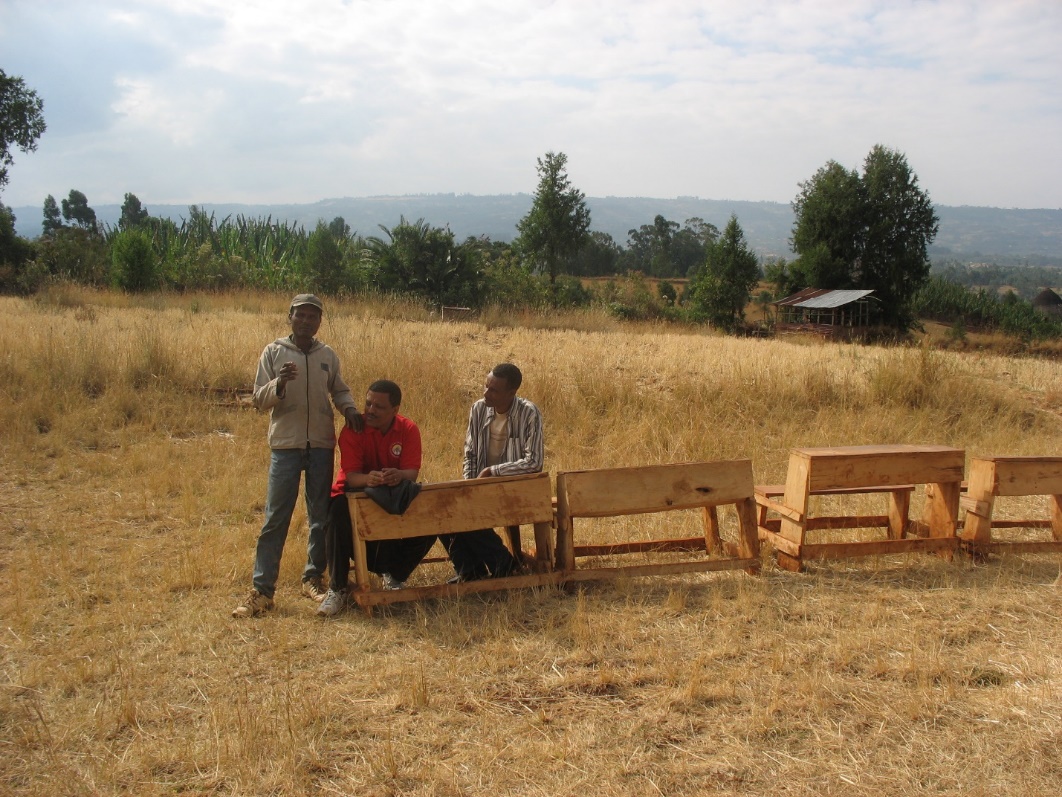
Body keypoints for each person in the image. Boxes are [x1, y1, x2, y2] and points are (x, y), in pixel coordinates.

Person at [233, 294, 361, 618]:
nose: (306, 321)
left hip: (320, 444)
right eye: (300, 315)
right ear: (289, 317)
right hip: (286, 446)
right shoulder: (274, 352)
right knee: (276, 517)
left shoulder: (327, 355)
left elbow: (339, 389)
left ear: (320, 321)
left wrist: (350, 410)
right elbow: (258, 400)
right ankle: (262, 591)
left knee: (320, 513)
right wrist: (280, 383)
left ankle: (313, 578)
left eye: (312, 317)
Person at [317, 380, 435, 617]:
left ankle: (395, 574)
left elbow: (411, 474)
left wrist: (397, 475)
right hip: (354, 493)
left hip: (391, 494)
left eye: (379, 407)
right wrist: (370, 479)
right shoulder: (353, 428)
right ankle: (337, 587)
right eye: (368, 403)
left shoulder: (408, 429)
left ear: (395, 409)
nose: (370, 410)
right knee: (337, 512)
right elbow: (351, 477)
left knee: (431, 511)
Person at [439, 363, 544, 581]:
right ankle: (471, 569)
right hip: (482, 485)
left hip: (516, 489)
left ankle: (501, 564)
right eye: (486, 386)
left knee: (464, 509)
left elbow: (534, 463)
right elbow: (470, 454)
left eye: (494, 390)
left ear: (512, 393)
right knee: (444, 505)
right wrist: (470, 484)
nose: (486, 393)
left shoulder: (529, 412)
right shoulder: (478, 408)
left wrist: (492, 472)